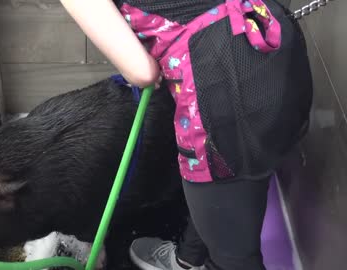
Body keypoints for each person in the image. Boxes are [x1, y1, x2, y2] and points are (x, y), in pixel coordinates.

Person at [59, 0, 313, 270]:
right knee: (237, 186)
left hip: (221, 88)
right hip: (272, 45)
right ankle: (189, 259)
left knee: (234, 257)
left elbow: (142, 72)